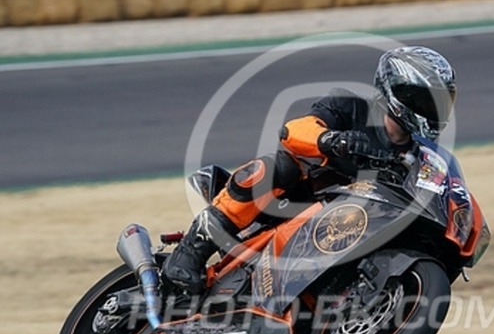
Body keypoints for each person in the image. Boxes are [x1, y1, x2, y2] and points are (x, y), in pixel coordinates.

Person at [162, 46, 457, 294]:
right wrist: (332, 140)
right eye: (425, 100)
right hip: (298, 204)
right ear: (397, 93)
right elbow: (294, 131)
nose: (434, 110)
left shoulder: (420, 155)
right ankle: (190, 253)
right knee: (279, 166)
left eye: (441, 102)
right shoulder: (351, 107)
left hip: (353, 227)